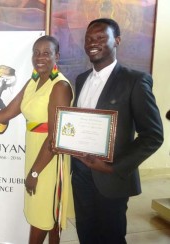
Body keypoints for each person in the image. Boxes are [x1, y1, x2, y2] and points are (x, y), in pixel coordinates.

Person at [0, 35, 73, 244]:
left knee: (42, 214)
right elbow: (7, 113)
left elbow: (55, 138)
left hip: (49, 159)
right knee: (48, 214)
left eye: (46, 53)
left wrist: (35, 172)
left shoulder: (59, 86)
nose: (40, 57)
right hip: (36, 151)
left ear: (57, 56)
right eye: (36, 53)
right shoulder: (33, 81)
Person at [71, 18, 164, 244]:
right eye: (89, 39)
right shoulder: (81, 79)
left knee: (111, 236)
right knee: (85, 231)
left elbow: (153, 135)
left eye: (101, 37)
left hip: (111, 177)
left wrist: (113, 167)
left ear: (117, 41)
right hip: (81, 173)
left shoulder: (135, 80)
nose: (93, 43)